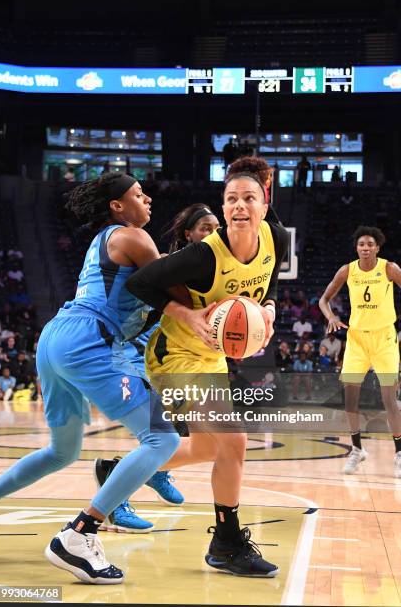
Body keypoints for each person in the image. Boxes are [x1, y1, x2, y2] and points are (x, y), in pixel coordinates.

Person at [0, 173, 180, 584]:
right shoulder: (133, 236)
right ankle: (78, 535)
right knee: (163, 439)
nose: (147, 198)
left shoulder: (107, 240)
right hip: (88, 339)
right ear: (117, 205)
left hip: (57, 337)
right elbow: (178, 294)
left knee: (62, 452)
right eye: (137, 194)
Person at [125, 156, 289, 577]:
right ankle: (227, 543)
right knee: (233, 440)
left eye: (248, 198)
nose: (239, 206)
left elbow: (268, 282)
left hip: (210, 356)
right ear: (223, 205)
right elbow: (139, 282)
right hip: (174, 355)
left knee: (206, 448)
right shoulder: (202, 256)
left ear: (264, 204)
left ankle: (118, 473)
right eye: (231, 198)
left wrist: (267, 310)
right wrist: (190, 316)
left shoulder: (275, 239)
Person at [96, 203, 220, 532]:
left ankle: (149, 471)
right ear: (187, 235)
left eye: (216, 228)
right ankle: (116, 496)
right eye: (205, 228)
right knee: (162, 436)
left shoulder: (218, 267)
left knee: (201, 442)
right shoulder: (167, 265)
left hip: (189, 356)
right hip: (150, 352)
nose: (213, 234)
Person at [319, 226, 401, 478]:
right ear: (357, 248)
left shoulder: (389, 268)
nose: (365, 248)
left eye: (370, 244)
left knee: (389, 399)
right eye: (361, 244)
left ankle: (399, 452)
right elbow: (323, 300)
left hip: (384, 339)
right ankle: (357, 450)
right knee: (350, 400)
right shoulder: (347, 270)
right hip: (356, 341)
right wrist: (331, 316)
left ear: (378, 247)